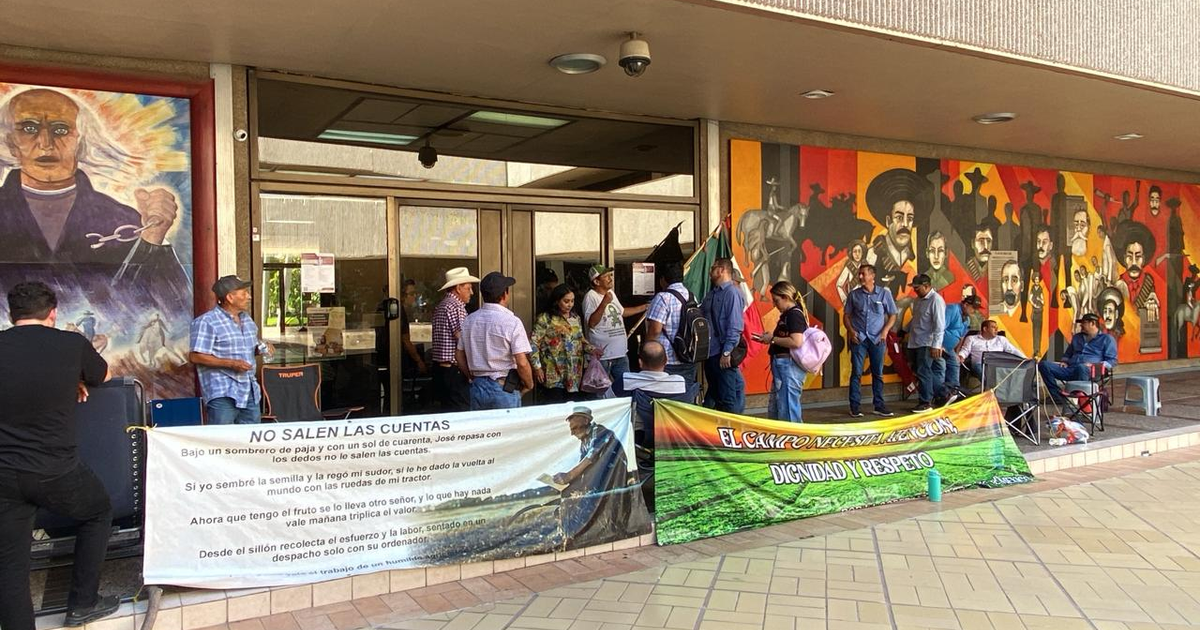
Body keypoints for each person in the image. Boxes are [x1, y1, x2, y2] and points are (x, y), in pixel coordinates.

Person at [0, 282, 118, 630]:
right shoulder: (70, 343)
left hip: (4, 472)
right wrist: (73, 379)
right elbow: (105, 375)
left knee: (10, 560)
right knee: (98, 512)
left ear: (12, 314)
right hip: (57, 469)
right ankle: (82, 603)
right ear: (52, 313)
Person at [189, 276, 271, 424]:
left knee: (251, 439)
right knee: (222, 440)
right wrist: (231, 363)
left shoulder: (247, 320)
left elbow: (246, 348)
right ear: (230, 297)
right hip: (223, 391)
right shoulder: (207, 322)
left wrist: (261, 349)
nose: (249, 296)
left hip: (249, 388)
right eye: (244, 293)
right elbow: (196, 357)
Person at [551, 407, 632, 541]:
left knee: (580, 504)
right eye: (571, 429)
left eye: (575, 428)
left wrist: (569, 476)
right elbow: (582, 465)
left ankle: (578, 535)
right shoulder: (584, 439)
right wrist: (567, 478)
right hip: (599, 478)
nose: (572, 433)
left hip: (614, 478)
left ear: (586, 421)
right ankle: (569, 535)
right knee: (567, 498)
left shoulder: (599, 433)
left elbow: (588, 460)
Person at [456, 272, 534, 410]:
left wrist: (471, 376)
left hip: (477, 386)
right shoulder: (512, 322)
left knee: (482, 431)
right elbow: (522, 362)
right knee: (507, 430)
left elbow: (459, 355)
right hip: (503, 387)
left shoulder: (469, 320)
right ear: (505, 294)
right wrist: (529, 384)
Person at [582, 264, 647, 396]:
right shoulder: (591, 296)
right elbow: (592, 323)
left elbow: (622, 312)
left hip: (620, 353)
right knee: (600, 393)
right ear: (596, 281)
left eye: (610, 275)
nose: (610, 278)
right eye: (606, 276)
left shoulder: (611, 293)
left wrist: (645, 307)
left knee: (627, 390)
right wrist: (604, 303)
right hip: (602, 356)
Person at [843, 263, 897, 417]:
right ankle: (855, 407)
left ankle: (879, 405)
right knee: (857, 373)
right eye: (859, 274)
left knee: (878, 373)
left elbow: (893, 314)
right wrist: (851, 331)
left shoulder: (884, 294)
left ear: (872, 276)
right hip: (859, 338)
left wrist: (885, 332)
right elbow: (846, 316)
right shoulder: (854, 295)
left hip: (877, 339)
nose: (860, 277)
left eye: (863, 274)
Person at [623, 341, 699, 446]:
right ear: (666, 361)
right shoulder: (680, 383)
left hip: (639, 439)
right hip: (674, 436)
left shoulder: (626, 381)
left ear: (640, 363)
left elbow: (607, 403)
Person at [751, 281, 808, 422]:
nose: (775, 305)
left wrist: (772, 339)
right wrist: (769, 338)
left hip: (788, 366)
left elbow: (796, 341)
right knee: (780, 405)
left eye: (776, 301)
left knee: (788, 408)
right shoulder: (788, 315)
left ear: (785, 297)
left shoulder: (794, 315)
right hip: (782, 365)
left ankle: (792, 438)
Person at [530, 283, 596, 404]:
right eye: (566, 301)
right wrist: (537, 367)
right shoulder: (545, 318)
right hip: (553, 372)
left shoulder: (575, 317)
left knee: (574, 410)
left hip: (575, 374)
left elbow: (580, 339)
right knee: (555, 408)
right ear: (557, 301)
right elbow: (534, 344)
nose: (570, 304)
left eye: (572, 301)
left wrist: (592, 349)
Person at [1038, 313, 1118, 405]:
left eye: (1084, 323)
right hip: (1070, 369)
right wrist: (1064, 361)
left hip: (1091, 372)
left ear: (1093, 323)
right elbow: (1068, 353)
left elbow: (1112, 361)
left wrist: (1093, 365)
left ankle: (1079, 399)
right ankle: (1058, 396)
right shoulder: (1077, 337)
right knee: (1044, 365)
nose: (1081, 325)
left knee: (1081, 368)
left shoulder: (1107, 339)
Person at [701, 258, 746, 413]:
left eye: (713, 268)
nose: (710, 271)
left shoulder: (731, 293)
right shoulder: (712, 293)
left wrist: (726, 352)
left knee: (728, 397)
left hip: (721, 352)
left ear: (721, 270)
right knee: (717, 391)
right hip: (711, 353)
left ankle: (731, 432)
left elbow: (734, 326)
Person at [430, 267, 478, 412]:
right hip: (453, 370)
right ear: (458, 288)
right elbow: (462, 338)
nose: (471, 292)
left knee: (447, 411)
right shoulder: (456, 306)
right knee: (460, 412)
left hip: (441, 369)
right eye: (468, 288)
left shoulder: (442, 305)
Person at [645, 261, 697, 385]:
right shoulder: (691, 296)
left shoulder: (663, 297)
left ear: (663, 279)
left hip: (667, 359)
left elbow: (655, 330)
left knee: (666, 398)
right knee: (684, 396)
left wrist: (646, 350)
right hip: (688, 355)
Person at [907, 274, 948, 411]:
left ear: (927, 286)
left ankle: (925, 402)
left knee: (923, 371)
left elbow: (939, 325)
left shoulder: (936, 300)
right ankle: (944, 394)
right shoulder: (918, 300)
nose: (915, 291)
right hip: (915, 340)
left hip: (927, 342)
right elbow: (916, 320)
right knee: (922, 371)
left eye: (917, 288)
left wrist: (936, 345)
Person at [957, 319, 1025, 380]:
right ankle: (991, 390)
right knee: (988, 380)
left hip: (998, 365)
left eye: (997, 328)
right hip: (980, 364)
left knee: (1012, 374)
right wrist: (961, 356)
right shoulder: (971, 338)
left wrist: (1025, 358)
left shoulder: (1001, 339)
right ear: (985, 329)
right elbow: (965, 350)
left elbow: (1013, 350)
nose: (996, 330)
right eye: (993, 327)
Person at [942, 295, 981, 397]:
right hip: (939, 346)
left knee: (955, 363)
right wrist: (939, 345)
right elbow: (940, 328)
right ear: (965, 304)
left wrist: (957, 352)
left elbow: (961, 337)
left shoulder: (967, 319)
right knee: (940, 368)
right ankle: (942, 394)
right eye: (973, 308)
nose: (974, 311)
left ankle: (954, 391)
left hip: (950, 349)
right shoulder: (952, 309)